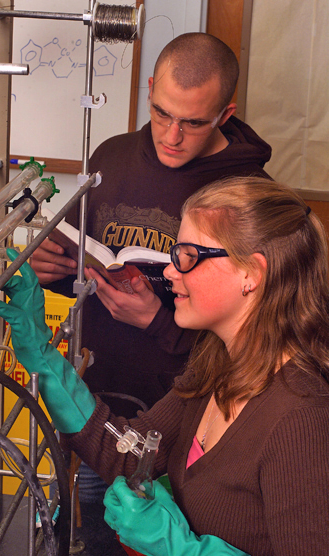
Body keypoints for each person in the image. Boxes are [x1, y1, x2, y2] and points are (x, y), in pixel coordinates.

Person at [0, 176, 329, 556]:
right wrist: (38, 352)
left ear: (251, 273)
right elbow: (130, 453)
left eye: (188, 256)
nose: (169, 271)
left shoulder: (301, 418)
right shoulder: (221, 362)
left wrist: (187, 553)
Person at [31, 33, 272, 409]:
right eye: (162, 113)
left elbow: (261, 336)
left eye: (193, 123)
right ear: (151, 90)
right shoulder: (110, 155)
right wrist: (55, 270)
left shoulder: (251, 194)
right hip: (95, 396)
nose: (172, 137)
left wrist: (158, 321)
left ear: (225, 115)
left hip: (189, 409)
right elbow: (89, 272)